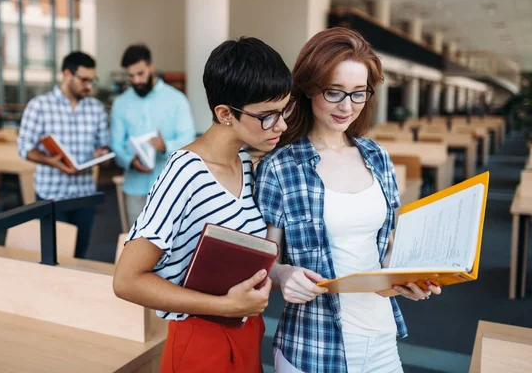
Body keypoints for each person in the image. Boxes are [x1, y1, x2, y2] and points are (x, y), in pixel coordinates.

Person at [254, 27, 442, 373]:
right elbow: (264, 260)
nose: (347, 106)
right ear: (309, 88)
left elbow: (386, 247)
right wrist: (283, 273)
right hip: (313, 347)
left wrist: (407, 278)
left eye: (359, 94)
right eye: (334, 92)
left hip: (381, 338)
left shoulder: (377, 156)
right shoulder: (280, 167)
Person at [113, 37, 294, 373]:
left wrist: (279, 274)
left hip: (246, 331)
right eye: (268, 116)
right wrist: (222, 306)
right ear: (225, 113)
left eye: (284, 110)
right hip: (200, 339)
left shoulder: (245, 162)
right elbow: (126, 280)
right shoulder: (185, 173)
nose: (281, 124)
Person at [18, 51, 110, 258]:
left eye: (92, 80)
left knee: (79, 255)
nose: (89, 86)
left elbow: (104, 145)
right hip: (52, 194)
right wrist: (50, 161)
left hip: (84, 194)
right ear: (67, 74)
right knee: (53, 255)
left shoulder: (96, 109)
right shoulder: (39, 106)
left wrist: (102, 153)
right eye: (84, 80)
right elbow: (24, 147)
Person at [110, 44, 195, 227]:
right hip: (135, 189)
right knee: (137, 243)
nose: (136, 80)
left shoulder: (177, 100)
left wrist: (165, 146)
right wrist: (130, 161)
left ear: (151, 67)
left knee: (174, 246)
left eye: (140, 73)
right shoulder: (120, 104)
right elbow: (116, 145)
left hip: (171, 188)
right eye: (131, 76)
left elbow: (189, 140)